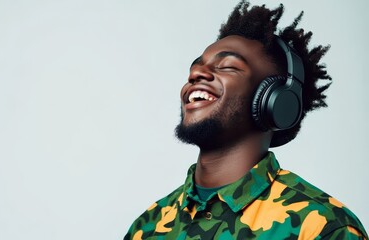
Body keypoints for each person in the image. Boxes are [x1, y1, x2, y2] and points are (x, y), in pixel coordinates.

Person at [125, 1, 368, 239]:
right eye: (195, 67)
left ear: (275, 102)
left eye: (228, 66)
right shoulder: (147, 227)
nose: (195, 74)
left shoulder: (323, 227)